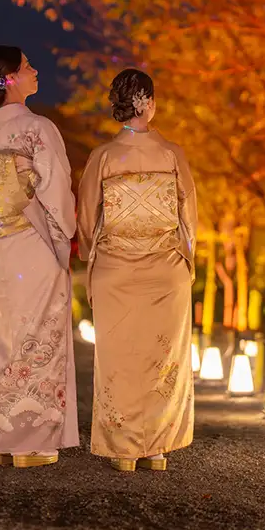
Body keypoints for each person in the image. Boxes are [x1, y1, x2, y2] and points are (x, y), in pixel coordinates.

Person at [76, 68, 197, 472]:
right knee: (161, 357)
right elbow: (188, 217)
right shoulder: (172, 154)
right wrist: (185, 260)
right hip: (165, 270)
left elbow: (86, 219)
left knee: (119, 358)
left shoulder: (103, 157)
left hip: (116, 271)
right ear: (147, 102)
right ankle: (157, 448)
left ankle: (124, 448)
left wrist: (97, 256)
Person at [0, 45, 79, 468]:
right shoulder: (38, 128)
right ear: (11, 79)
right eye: (28, 66)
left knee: (11, 339)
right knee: (42, 340)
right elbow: (54, 190)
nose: (35, 71)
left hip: (3, 246)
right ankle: (31, 440)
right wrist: (64, 236)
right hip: (34, 242)